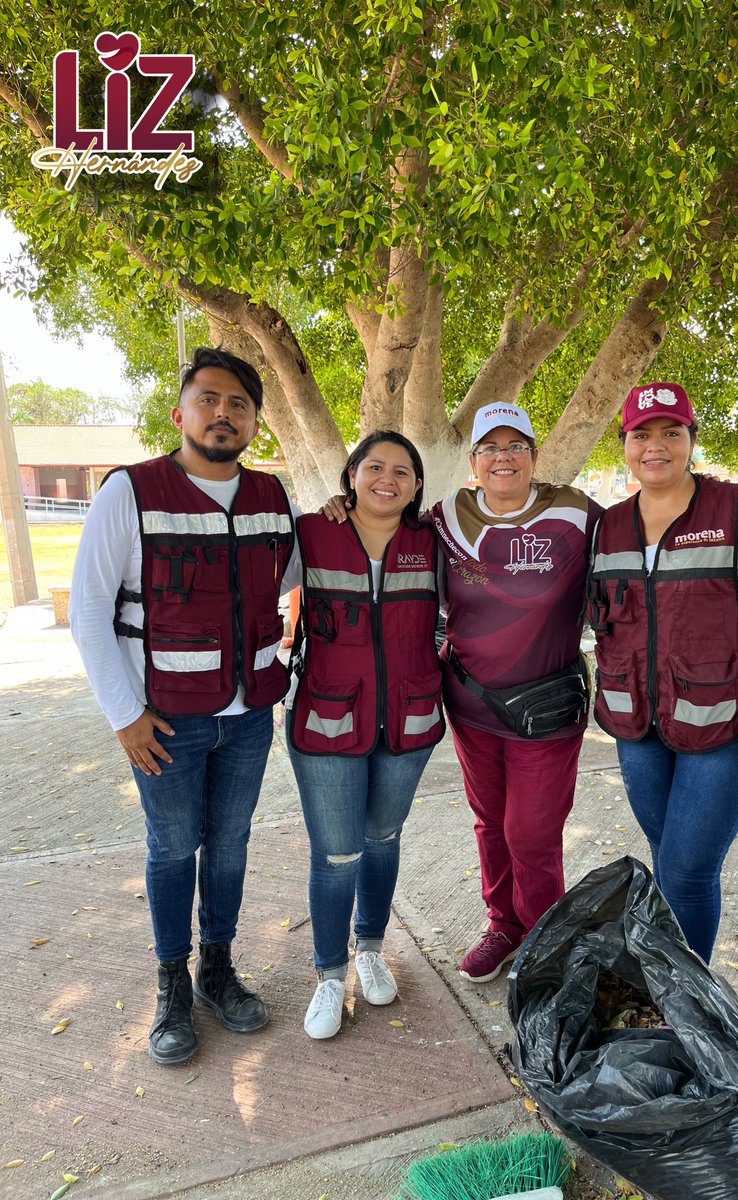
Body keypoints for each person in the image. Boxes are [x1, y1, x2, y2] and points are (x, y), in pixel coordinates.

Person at [70, 347, 300, 1065]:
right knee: (173, 848)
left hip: (249, 719)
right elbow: (88, 612)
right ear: (181, 412)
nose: (223, 414)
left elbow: (296, 577)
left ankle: (217, 970)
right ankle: (171, 984)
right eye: (209, 399)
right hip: (165, 721)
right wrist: (123, 716)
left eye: (239, 404)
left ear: (256, 423)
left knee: (229, 846)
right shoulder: (129, 493)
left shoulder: (271, 497)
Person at [325, 403, 601, 984]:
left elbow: (640, 547)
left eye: (516, 446)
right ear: (473, 460)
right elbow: (380, 530)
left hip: (547, 710)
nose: (504, 458)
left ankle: (545, 941)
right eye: (490, 449)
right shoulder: (445, 517)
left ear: (533, 454)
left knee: (532, 830)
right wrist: (339, 506)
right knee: (490, 821)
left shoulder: (578, 514)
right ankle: (504, 924)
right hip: (474, 706)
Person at [587, 382, 738, 962]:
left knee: (687, 869)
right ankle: (670, 987)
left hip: (725, 718)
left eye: (670, 433)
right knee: (667, 857)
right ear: (625, 445)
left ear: (690, 440)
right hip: (638, 723)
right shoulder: (607, 524)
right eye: (641, 435)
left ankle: (685, 1004)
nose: (655, 447)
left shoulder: (737, 507)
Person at [287, 432, 445, 1039]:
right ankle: (329, 976)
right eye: (374, 467)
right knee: (336, 853)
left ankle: (370, 947)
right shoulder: (312, 533)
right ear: (350, 475)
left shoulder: (433, 543)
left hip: (409, 721)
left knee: (381, 837)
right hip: (327, 720)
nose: (388, 479)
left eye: (402, 470)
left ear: (417, 485)